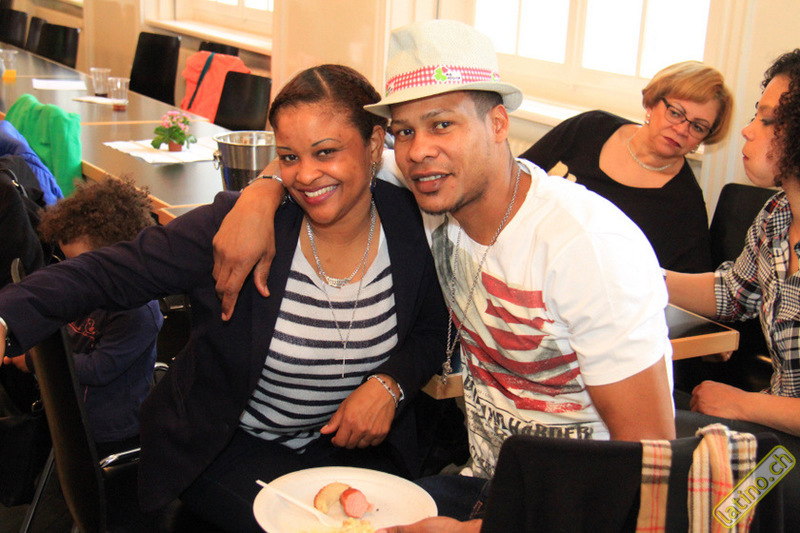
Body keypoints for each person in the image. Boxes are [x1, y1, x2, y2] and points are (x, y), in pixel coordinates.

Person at [212, 19, 676, 526]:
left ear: (497, 124)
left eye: (442, 125)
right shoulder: (435, 189)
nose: (418, 151)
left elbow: (649, 474)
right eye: (405, 131)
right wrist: (258, 195)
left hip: (576, 510)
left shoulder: (586, 248)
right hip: (489, 486)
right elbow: (315, 158)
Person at [0, 64, 448, 533]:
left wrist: (391, 383)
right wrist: (7, 319)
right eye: (289, 157)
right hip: (231, 445)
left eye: (326, 152)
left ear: (375, 144)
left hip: (342, 450)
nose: (305, 175)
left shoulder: (413, 226)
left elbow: (433, 329)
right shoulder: (243, 228)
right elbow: (109, 273)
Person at [666, 49, 800, 528]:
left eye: (766, 119)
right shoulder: (776, 216)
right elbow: (730, 293)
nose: (747, 130)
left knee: (722, 511)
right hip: (775, 436)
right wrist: (639, 274)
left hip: (783, 443)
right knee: (641, 435)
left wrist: (742, 403)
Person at [520, 61, 733, 275]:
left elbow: (685, 283)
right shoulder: (588, 128)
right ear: (652, 104)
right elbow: (515, 179)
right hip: (526, 256)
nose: (681, 129)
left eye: (698, 127)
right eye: (676, 113)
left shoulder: (685, 204)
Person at [2, 177, 162, 456]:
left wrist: (34, 360)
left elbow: (99, 369)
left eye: (79, 265)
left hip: (111, 430)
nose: (72, 274)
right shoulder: (81, 289)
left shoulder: (138, 312)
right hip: (73, 411)